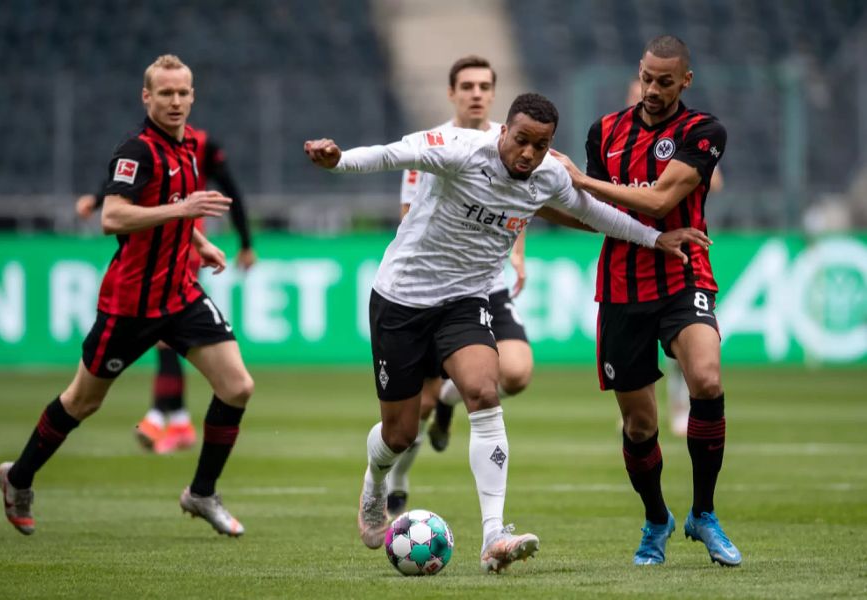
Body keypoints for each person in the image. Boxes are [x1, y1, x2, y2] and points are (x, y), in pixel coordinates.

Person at [304, 92, 710, 572]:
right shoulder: (460, 149)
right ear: (503, 131)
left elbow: (592, 212)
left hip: (466, 300)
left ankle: (493, 534)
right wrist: (339, 161)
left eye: (540, 146)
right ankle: (375, 483)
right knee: (400, 432)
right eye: (521, 141)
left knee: (483, 391)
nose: (528, 154)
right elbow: (396, 153)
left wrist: (654, 238)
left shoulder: (548, 174)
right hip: (402, 299)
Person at [0, 54, 253, 537]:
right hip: (130, 306)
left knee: (237, 386)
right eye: (165, 94)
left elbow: (172, 207)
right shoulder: (137, 151)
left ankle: (201, 493)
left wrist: (200, 241)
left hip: (180, 294)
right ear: (147, 97)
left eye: (182, 93)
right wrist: (185, 214)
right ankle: (19, 477)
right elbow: (113, 217)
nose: (175, 101)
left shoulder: (188, 150)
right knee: (81, 402)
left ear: (192, 95)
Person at [555, 35, 742, 566]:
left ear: (686, 80)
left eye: (665, 81)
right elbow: (591, 214)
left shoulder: (703, 132)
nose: (653, 90)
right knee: (639, 425)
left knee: (706, 378)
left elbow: (661, 198)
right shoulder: (605, 131)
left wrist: (585, 183)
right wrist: (533, 202)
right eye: (646, 78)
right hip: (621, 287)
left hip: (685, 274)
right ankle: (656, 518)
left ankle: (703, 513)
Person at [386, 56, 535, 519]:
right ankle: (397, 478)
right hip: (435, 290)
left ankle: (455, 397)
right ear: (452, 93)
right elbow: (410, 216)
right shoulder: (433, 146)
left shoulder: (512, 142)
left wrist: (516, 252)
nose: (476, 93)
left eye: (484, 86)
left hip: (484, 287)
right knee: (418, 408)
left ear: (494, 94)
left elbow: (523, 197)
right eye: (467, 85)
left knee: (516, 373)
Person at [76, 125, 256, 454]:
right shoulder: (153, 148)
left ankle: (166, 417)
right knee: (166, 341)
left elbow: (232, 191)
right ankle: (173, 419)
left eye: (181, 93)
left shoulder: (198, 146)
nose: (175, 101)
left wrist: (246, 243)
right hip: (169, 243)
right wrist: (98, 196)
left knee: (164, 337)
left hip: (179, 247)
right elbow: (128, 184)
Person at [624, 78, 724, 438]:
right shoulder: (619, 139)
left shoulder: (686, 138)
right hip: (630, 259)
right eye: (636, 94)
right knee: (630, 355)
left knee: (687, 352)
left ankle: (680, 405)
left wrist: (676, 180)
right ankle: (638, 412)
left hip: (681, 255)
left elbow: (714, 181)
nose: (645, 98)